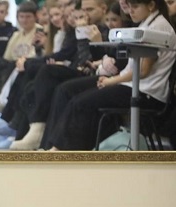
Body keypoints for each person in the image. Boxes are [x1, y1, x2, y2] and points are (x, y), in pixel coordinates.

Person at [48, 0, 176, 150]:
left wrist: (113, 81)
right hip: (132, 85)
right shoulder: (147, 23)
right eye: (130, 7)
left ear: (151, 5)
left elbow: (143, 71)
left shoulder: (158, 26)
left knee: (81, 103)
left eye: (135, 7)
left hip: (146, 92)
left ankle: (61, 152)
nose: (131, 11)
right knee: (72, 93)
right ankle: (56, 148)